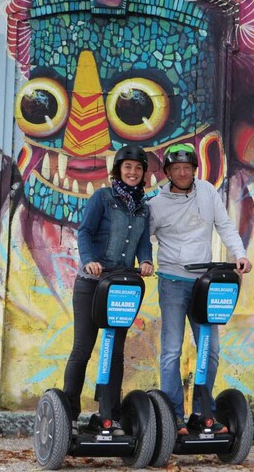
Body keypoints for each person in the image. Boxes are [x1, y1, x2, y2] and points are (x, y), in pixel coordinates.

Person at [149, 143, 252, 436]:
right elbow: (143, 237)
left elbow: (226, 226)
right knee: (171, 350)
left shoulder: (208, 192)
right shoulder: (156, 205)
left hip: (205, 283)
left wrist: (240, 255)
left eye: (186, 168)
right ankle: (173, 417)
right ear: (168, 172)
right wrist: (141, 261)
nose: (182, 173)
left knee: (212, 349)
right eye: (175, 168)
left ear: (194, 169)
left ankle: (202, 412)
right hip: (172, 280)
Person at [63, 145, 154, 435]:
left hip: (120, 287)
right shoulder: (102, 198)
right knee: (83, 349)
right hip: (91, 285)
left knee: (114, 353)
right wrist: (89, 261)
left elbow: (142, 241)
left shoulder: (143, 207)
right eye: (127, 167)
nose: (133, 172)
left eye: (138, 168)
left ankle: (109, 416)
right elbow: (85, 232)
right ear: (118, 170)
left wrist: (147, 260)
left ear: (143, 174)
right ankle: (70, 415)